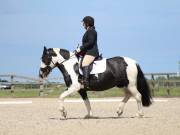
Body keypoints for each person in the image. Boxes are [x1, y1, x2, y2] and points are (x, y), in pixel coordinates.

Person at [75, 16, 99, 88]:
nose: (83, 25)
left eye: (84, 23)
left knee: (85, 63)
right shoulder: (89, 31)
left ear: (87, 23)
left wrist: (80, 48)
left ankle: (86, 83)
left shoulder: (91, 31)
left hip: (92, 52)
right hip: (88, 52)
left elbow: (91, 42)